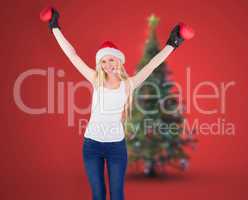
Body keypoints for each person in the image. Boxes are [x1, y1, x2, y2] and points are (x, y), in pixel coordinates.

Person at [45, 7, 186, 200]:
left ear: (118, 61)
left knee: (117, 195)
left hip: (116, 148)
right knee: (98, 195)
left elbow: (152, 65)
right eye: (103, 61)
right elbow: (73, 55)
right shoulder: (96, 79)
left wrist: (172, 44)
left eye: (111, 59)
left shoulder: (129, 84)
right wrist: (55, 28)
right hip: (92, 145)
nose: (107, 64)